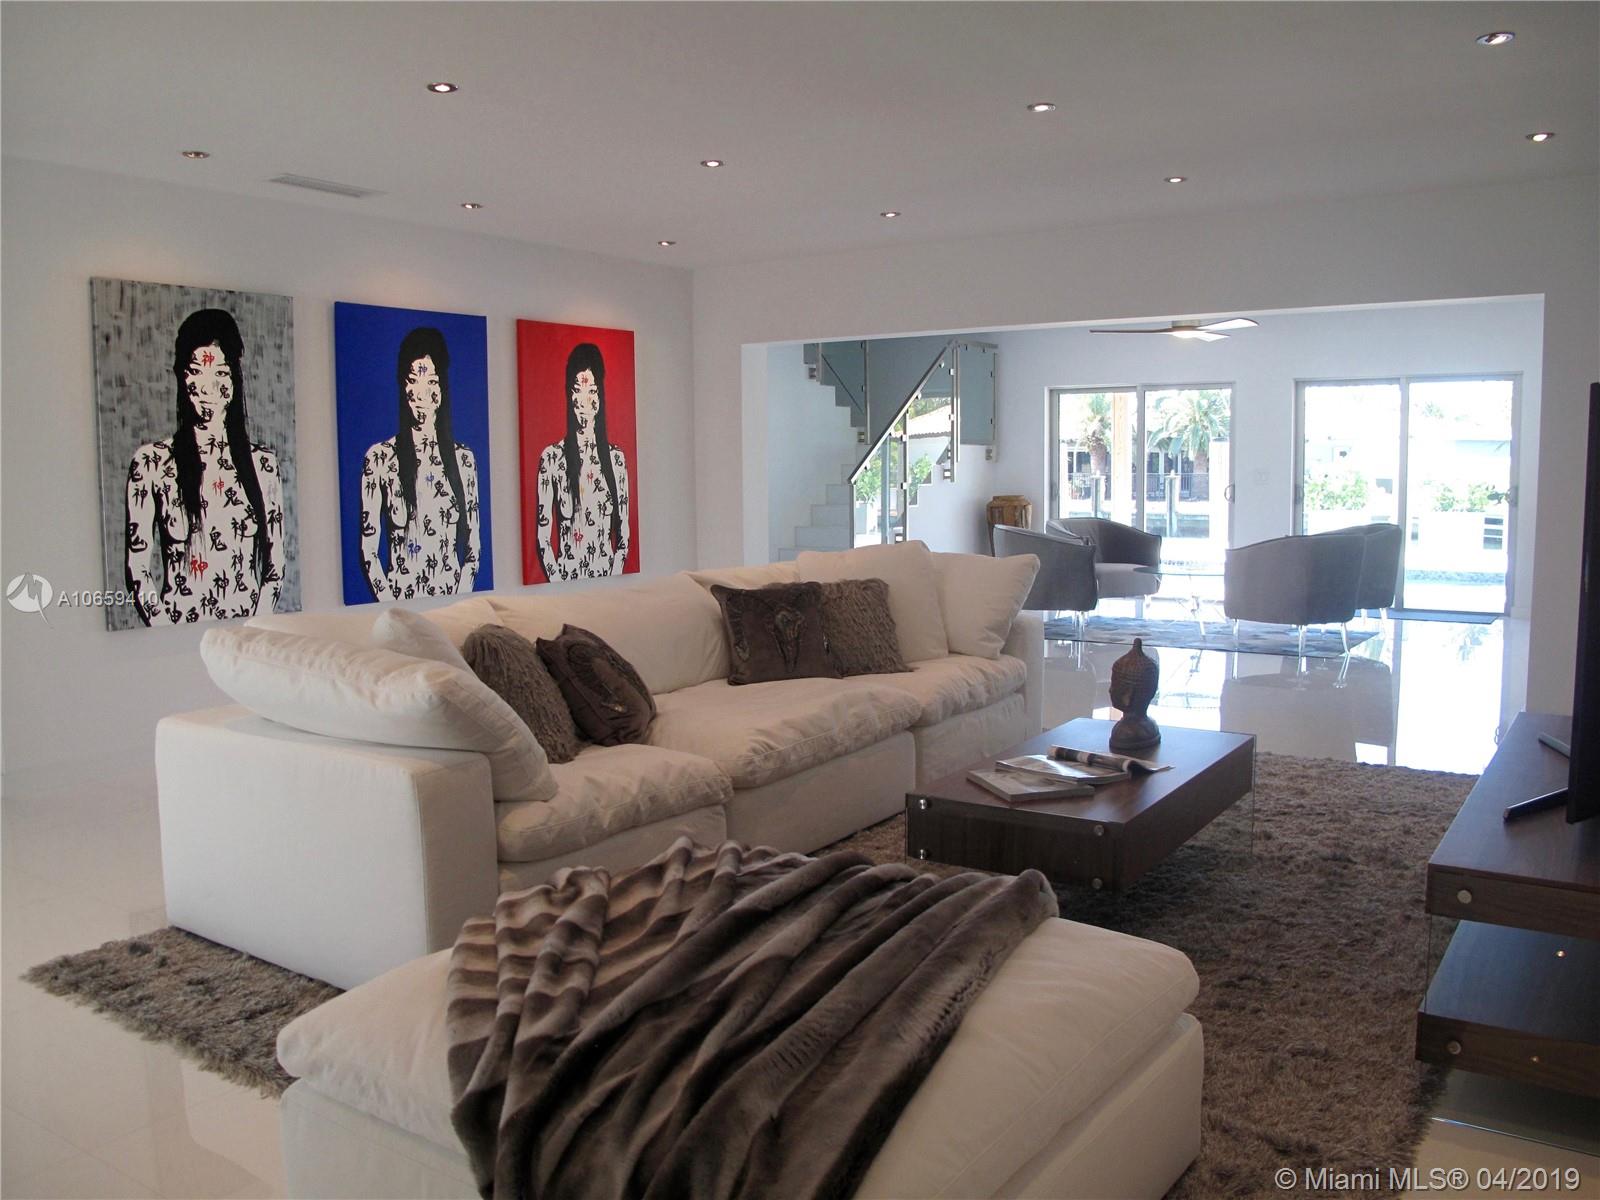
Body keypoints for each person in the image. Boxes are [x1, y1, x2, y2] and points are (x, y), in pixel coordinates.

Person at [125, 308, 285, 625]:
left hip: (248, 637)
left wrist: (253, 631)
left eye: (220, 373)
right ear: (182, 376)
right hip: (174, 633)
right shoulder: (151, 463)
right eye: (197, 371)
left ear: (234, 378)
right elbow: (138, 570)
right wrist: (165, 632)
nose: (208, 387)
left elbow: (275, 568)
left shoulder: (263, 465)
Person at [359, 327, 481, 600]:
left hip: (455, 607)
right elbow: (369, 552)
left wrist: (460, 601)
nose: (422, 393)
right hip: (399, 606)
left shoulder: (463, 460)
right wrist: (392, 607)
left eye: (432, 382)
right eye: (414, 381)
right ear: (404, 387)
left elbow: (473, 548)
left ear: (442, 388)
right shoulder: (379, 458)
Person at [534, 343, 631, 581]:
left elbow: (624, 535)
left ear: (600, 395)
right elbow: (543, 539)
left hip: (610, 585)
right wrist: (558, 583)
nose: (585, 401)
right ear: (570, 395)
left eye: (592, 391)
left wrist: (614, 579)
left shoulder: (616, 460)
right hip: (565, 582)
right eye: (578, 390)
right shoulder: (552, 458)